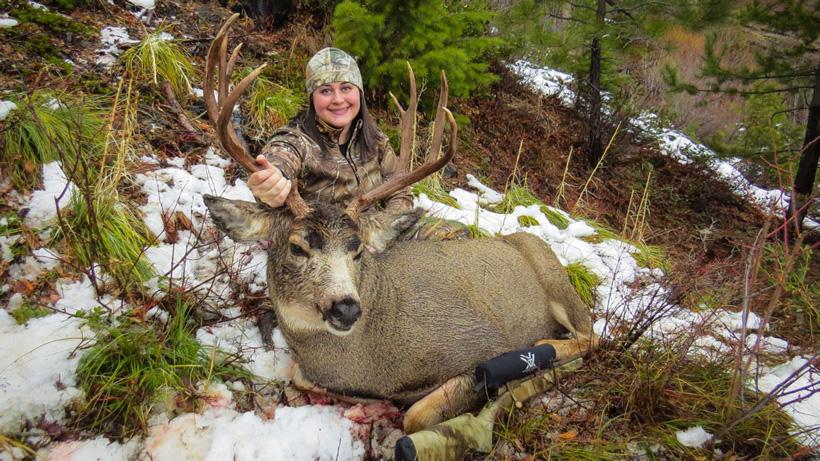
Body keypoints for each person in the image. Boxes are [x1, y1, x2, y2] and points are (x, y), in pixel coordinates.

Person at [247, 47, 413, 212]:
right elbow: (280, 159)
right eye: (325, 90)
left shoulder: (375, 140)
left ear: (359, 93)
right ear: (312, 98)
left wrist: (385, 227)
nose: (338, 99)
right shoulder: (295, 140)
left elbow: (400, 191)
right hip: (319, 236)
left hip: (373, 232)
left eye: (346, 88)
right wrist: (272, 182)